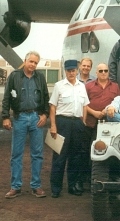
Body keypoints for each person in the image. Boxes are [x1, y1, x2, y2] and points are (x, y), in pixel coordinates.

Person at [1, 51, 50, 199]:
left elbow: (46, 98)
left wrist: (44, 115)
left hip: (36, 118)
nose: (33, 65)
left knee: (37, 154)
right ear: (25, 60)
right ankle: (15, 186)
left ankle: (36, 186)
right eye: (31, 62)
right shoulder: (14, 76)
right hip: (20, 118)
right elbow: (6, 98)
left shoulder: (40, 77)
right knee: (16, 154)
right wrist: (5, 117)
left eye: (36, 63)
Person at [49, 59, 90, 198]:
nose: (71, 73)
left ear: (77, 70)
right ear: (65, 71)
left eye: (73, 70)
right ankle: (56, 188)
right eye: (68, 70)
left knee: (75, 157)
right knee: (59, 157)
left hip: (77, 123)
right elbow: (53, 106)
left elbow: (85, 105)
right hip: (62, 123)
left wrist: (83, 121)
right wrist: (53, 125)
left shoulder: (81, 86)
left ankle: (72, 186)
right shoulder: (59, 86)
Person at [79, 63, 120, 191]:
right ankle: (87, 179)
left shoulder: (115, 86)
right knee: (87, 150)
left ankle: (108, 177)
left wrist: (107, 110)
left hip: (109, 125)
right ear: (96, 73)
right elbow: (83, 104)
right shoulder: (88, 86)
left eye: (106, 70)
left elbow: (119, 103)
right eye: (100, 71)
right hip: (91, 123)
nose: (103, 73)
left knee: (108, 150)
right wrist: (94, 113)